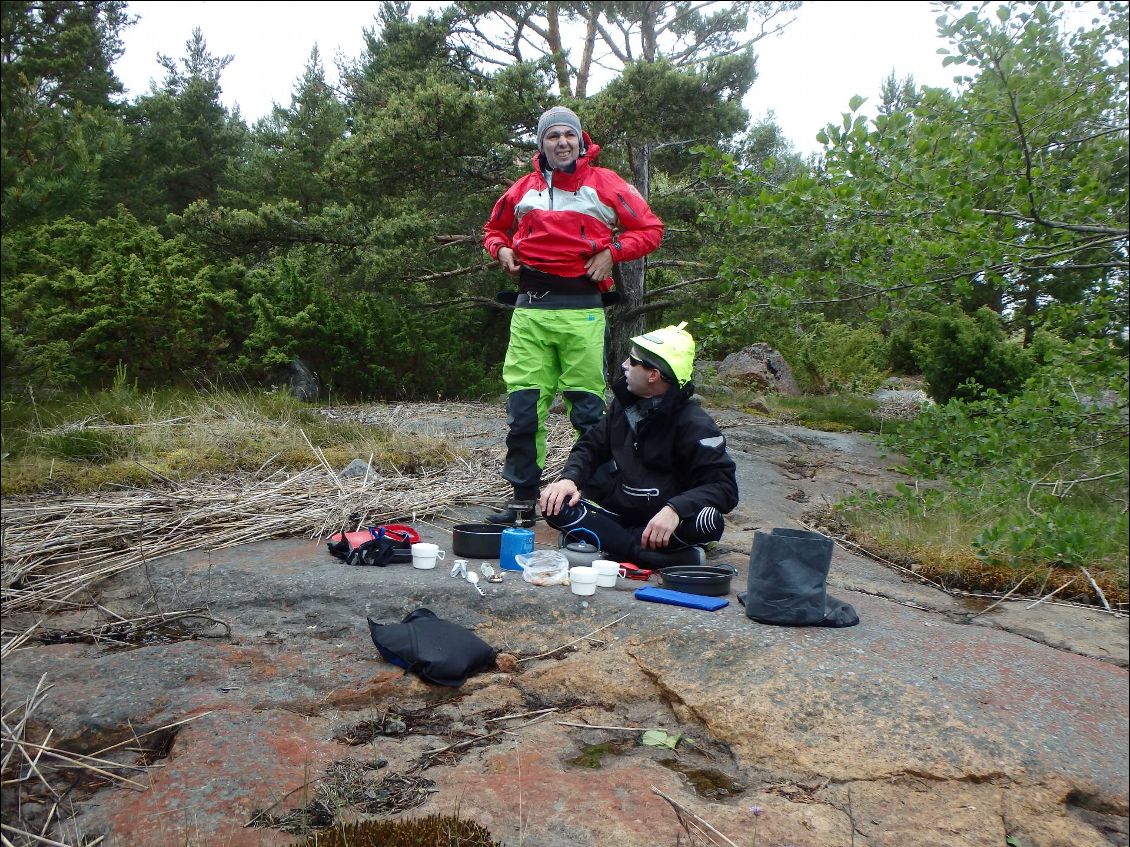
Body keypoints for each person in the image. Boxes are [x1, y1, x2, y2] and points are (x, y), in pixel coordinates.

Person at [482, 106, 664, 525]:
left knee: (586, 410)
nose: (562, 142)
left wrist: (612, 252)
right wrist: (502, 250)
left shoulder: (605, 183)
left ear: (581, 141)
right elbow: (494, 231)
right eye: (552, 136)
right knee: (524, 407)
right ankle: (523, 496)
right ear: (541, 143)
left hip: (582, 310)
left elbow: (650, 230)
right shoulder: (522, 189)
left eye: (569, 135)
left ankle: (592, 493)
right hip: (530, 310)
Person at [538, 322, 738, 567]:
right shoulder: (623, 405)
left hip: (663, 523)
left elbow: (724, 487)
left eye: (632, 361)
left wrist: (675, 509)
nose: (624, 365)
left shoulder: (696, 425)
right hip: (616, 513)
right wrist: (570, 478)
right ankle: (649, 555)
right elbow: (590, 446)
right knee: (554, 504)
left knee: (708, 521)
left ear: (653, 375)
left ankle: (607, 545)